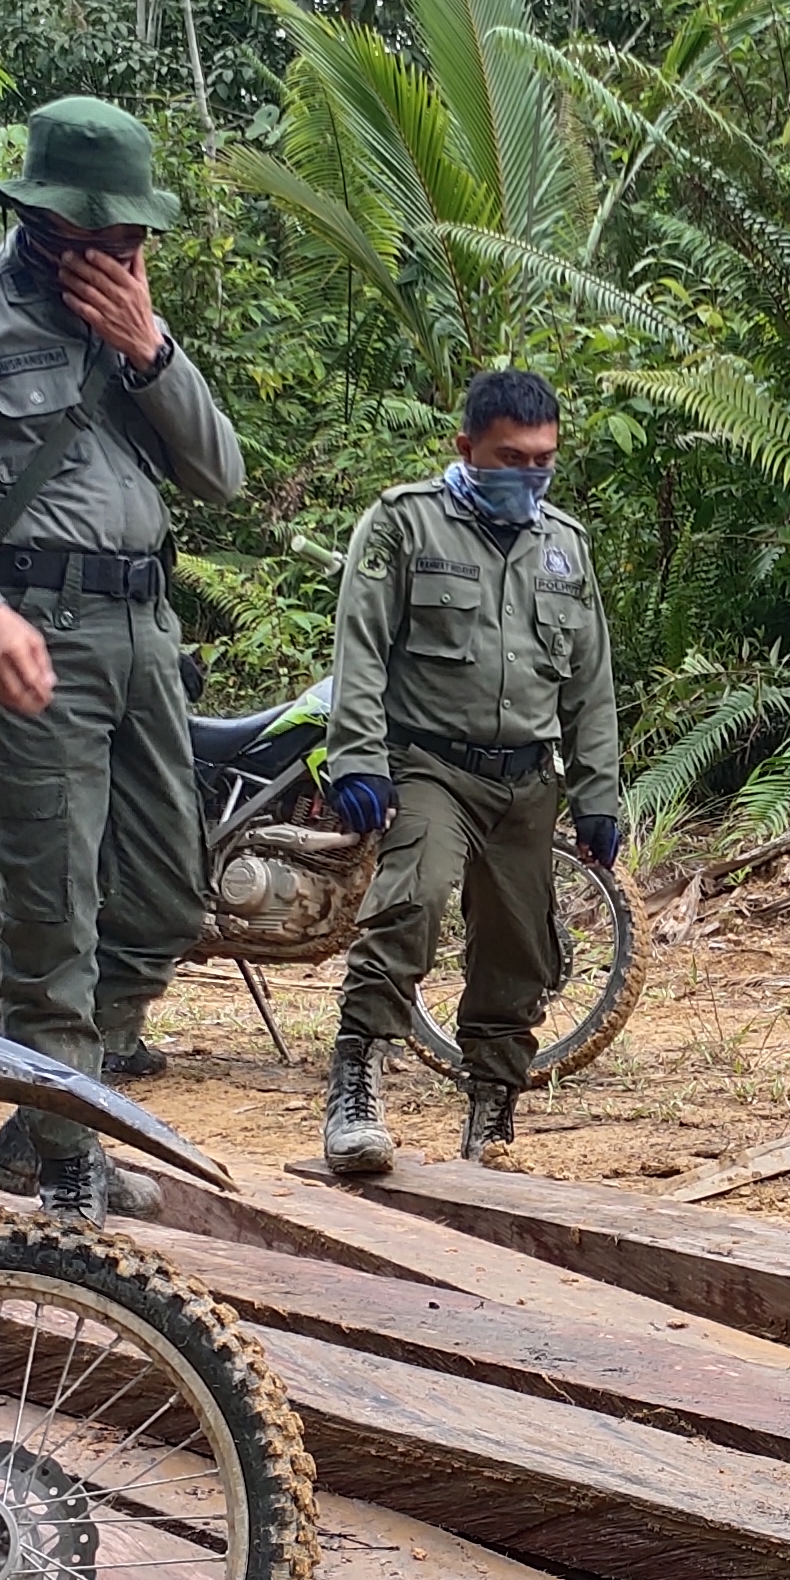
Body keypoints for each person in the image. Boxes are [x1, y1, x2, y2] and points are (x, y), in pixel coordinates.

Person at [0, 98, 243, 1215]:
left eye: (136, 233)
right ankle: (72, 1166)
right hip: (29, 635)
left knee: (166, 899)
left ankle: (43, 1117)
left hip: (145, 636)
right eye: (104, 229)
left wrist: (150, 351)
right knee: (53, 916)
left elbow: (221, 475)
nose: (125, 248)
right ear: (46, 216)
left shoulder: (133, 325)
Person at [315, 369, 627, 1176]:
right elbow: (360, 649)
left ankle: (492, 1114)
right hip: (431, 765)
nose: (528, 474)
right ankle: (357, 1084)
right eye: (510, 458)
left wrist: (598, 793)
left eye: (543, 460)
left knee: (520, 950)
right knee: (411, 900)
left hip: (526, 779)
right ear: (466, 447)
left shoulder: (565, 545)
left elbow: (590, 684)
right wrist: (358, 760)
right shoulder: (405, 524)